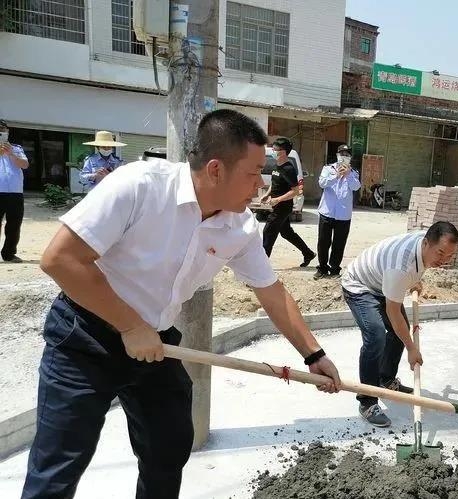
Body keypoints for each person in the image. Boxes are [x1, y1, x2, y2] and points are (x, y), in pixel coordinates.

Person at [21, 109, 341, 499]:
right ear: (215, 169)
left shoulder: (238, 226)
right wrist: (129, 326)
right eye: (253, 172)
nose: (261, 185)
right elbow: (61, 259)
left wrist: (313, 353)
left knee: (168, 446)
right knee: (58, 466)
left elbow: (271, 291)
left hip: (157, 345)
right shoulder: (139, 187)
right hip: (84, 337)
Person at [341, 221, 458, 427]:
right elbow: (392, 311)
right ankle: (367, 401)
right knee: (376, 336)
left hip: (382, 281)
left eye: (449, 256)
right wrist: (412, 349)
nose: (444, 260)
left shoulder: (425, 241)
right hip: (359, 285)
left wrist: (413, 280)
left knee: (398, 333)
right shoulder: (401, 267)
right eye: (440, 253)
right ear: (426, 244)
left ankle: (385, 379)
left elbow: (409, 272)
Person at [261, 137, 316, 266]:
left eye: (276, 150)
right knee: (286, 233)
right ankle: (308, 253)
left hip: (283, 207)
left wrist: (277, 199)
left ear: (284, 152)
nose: (273, 151)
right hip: (277, 205)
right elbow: (274, 184)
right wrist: (267, 195)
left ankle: (261, 268)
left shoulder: (288, 169)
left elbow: (295, 191)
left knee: (268, 232)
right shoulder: (277, 165)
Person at [314, 144, 361, 280]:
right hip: (326, 212)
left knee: (339, 244)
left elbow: (356, 186)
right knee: (323, 242)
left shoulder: (354, 173)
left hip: (343, 215)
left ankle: (335, 269)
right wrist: (336, 175)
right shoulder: (328, 169)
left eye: (347, 155)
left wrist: (347, 175)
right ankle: (322, 268)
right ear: (337, 155)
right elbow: (322, 183)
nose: (344, 157)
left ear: (350, 158)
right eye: (342, 154)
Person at [0, 119, 29, 263]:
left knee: (14, 224)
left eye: (3, 130)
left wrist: (11, 154)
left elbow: (24, 165)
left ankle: (9, 253)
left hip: (15, 193)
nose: (1, 132)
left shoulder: (17, 148)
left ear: (8, 132)